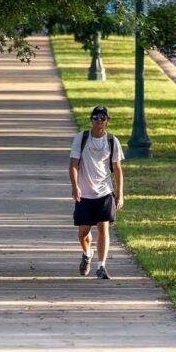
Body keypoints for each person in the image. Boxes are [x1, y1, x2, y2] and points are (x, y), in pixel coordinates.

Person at [68, 105, 124, 279]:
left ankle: (102, 266)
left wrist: (120, 194)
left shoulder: (112, 141)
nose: (99, 121)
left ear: (107, 121)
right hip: (84, 192)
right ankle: (87, 254)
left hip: (104, 192)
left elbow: (117, 168)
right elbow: (73, 164)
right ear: (91, 120)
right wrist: (75, 186)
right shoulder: (81, 138)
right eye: (96, 117)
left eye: (103, 118)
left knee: (103, 228)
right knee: (83, 232)